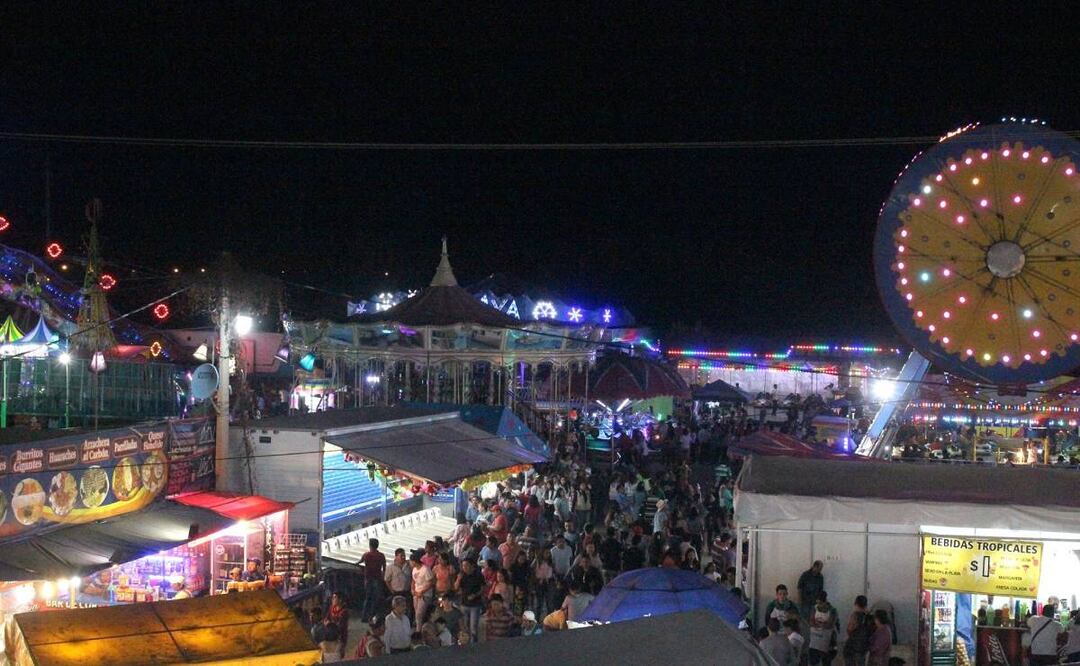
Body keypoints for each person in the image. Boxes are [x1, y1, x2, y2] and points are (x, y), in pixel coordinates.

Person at [456, 559, 485, 642]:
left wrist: (475, 595)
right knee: (464, 626)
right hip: (464, 603)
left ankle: (473, 643)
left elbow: (483, 588)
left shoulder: (478, 575)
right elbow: (456, 587)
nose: (464, 568)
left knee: (473, 627)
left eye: (466, 565)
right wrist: (458, 579)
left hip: (475, 604)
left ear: (471, 566)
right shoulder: (462, 575)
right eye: (463, 566)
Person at [808, 590, 839, 665]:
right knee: (813, 661)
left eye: (820, 603)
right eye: (817, 603)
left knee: (826, 661)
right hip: (815, 640)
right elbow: (811, 622)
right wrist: (821, 624)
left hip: (827, 640)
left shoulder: (832, 610)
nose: (819, 605)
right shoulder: (814, 608)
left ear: (825, 601)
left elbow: (829, 625)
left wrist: (817, 624)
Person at [358, 538, 386, 619]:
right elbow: (384, 568)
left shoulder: (366, 555)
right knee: (376, 598)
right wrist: (383, 578)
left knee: (367, 598)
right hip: (377, 579)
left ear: (370, 546)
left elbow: (360, 562)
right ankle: (372, 615)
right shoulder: (381, 555)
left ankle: (364, 616)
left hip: (368, 579)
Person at [843, 595, 874, 666]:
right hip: (863, 648)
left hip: (852, 647)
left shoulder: (855, 615)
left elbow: (849, 629)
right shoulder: (870, 617)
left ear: (856, 604)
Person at [410, 552, 435, 625]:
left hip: (425, 595)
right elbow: (413, 580)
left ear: (414, 561)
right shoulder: (414, 569)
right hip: (416, 593)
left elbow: (431, 583)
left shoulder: (425, 569)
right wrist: (412, 589)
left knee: (419, 613)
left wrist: (422, 591)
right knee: (416, 612)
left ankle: (418, 630)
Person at [384, 548, 411, 616]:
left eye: (404, 556)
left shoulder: (408, 566)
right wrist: (392, 590)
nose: (403, 557)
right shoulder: (390, 567)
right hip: (396, 592)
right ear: (396, 556)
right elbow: (387, 580)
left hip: (406, 591)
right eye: (401, 556)